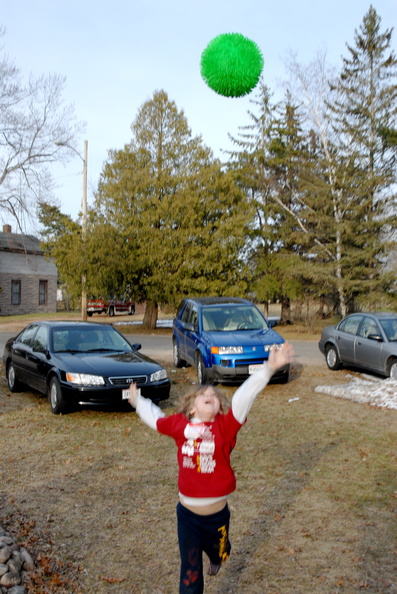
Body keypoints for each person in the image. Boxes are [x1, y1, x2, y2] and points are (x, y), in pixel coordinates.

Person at [128, 342, 294, 593]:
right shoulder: (179, 426)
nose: (210, 396)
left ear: (219, 409)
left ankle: (219, 556)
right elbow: (156, 418)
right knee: (190, 572)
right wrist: (138, 401)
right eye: (203, 395)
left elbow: (243, 397)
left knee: (220, 553)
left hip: (217, 517)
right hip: (187, 517)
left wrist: (268, 369)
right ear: (192, 407)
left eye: (215, 397)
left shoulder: (225, 429)